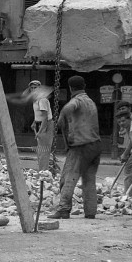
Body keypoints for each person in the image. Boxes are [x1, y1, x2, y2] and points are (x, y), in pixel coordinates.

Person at [48, 75, 102, 219]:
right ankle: (90, 212)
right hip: (96, 146)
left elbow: (69, 108)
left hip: (80, 147)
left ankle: (64, 209)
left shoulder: (77, 101)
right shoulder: (90, 101)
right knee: (89, 180)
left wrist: (60, 118)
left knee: (68, 178)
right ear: (84, 86)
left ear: (71, 88)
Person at [28, 80, 53, 171]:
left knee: (44, 151)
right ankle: (42, 170)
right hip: (40, 124)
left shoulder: (42, 100)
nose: (34, 89)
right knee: (40, 150)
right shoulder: (36, 100)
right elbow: (39, 115)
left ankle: (44, 172)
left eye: (36, 88)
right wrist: (34, 122)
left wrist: (41, 131)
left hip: (46, 125)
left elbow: (45, 117)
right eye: (32, 88)